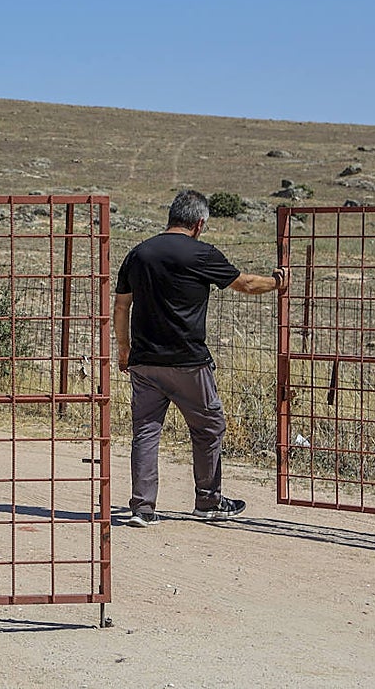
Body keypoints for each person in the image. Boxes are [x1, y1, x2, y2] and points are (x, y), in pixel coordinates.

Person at [114, 190, 289, 527]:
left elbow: (122, 306)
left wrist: (124, 349)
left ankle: (142, 508)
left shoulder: (138, 253)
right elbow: (245, 284)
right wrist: (277, 283)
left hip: (145, 360)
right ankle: (208, 500)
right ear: (198, 223)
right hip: (188, 361)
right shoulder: (201, 253)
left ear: (172, 216)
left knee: (146, 432)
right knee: (209, 427)